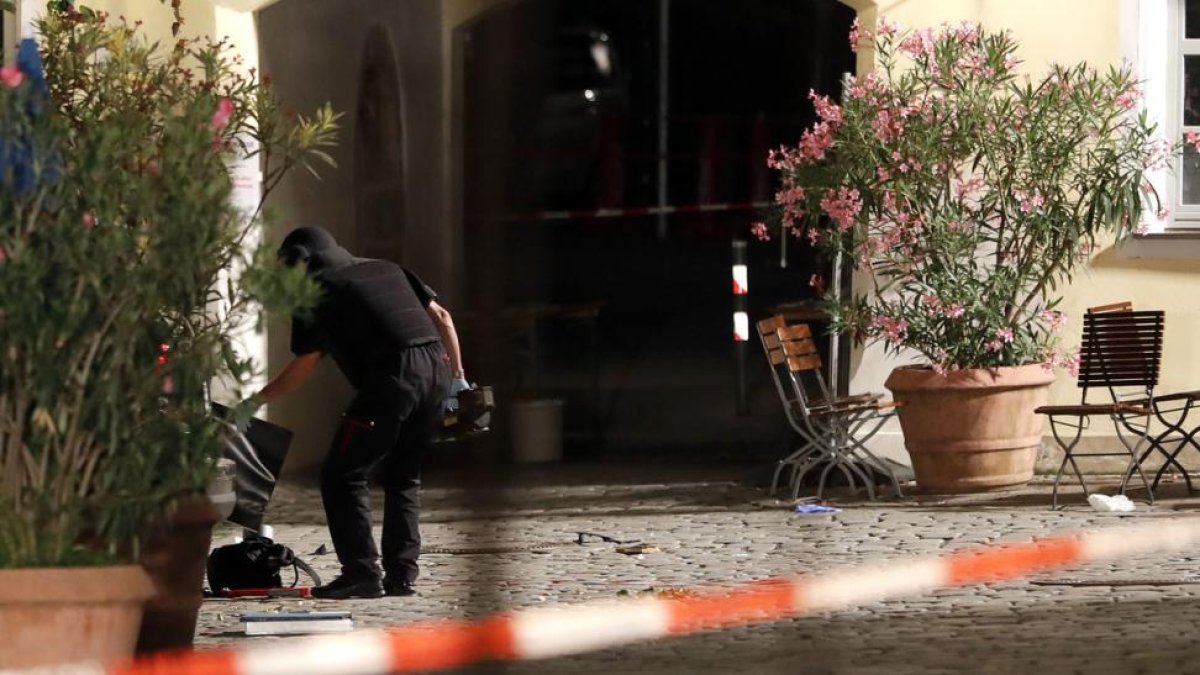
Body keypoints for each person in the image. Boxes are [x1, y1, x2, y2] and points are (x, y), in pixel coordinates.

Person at [251, 226, 470, 599]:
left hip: (393, 377)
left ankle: (361, 574)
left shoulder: (318, 290)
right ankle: (402, 576)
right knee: (404, 476)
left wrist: (254, 400)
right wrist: (459, 379)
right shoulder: (388, 268)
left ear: (301, 260)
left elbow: (305, 364)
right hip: (437, 368)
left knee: (342, 473)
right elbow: (444, 317)